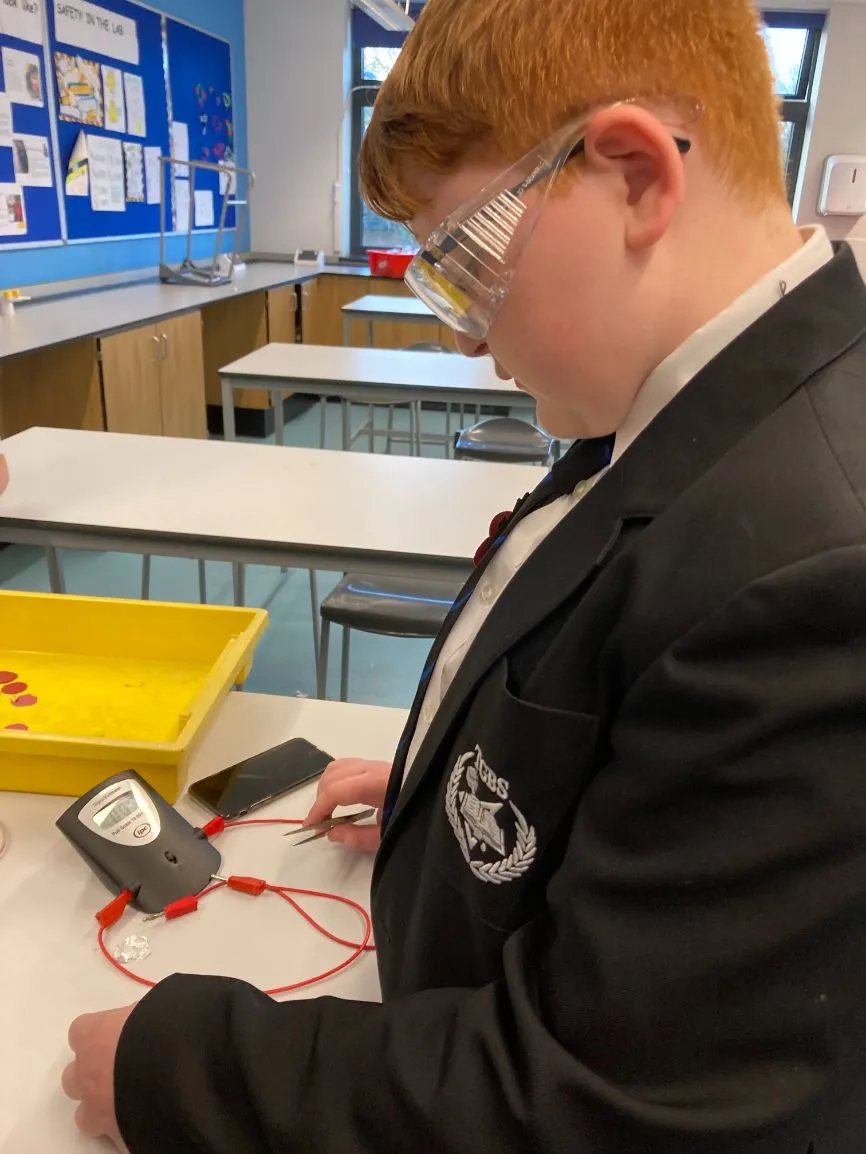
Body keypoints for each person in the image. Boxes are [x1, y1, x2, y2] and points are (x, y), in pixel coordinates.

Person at [63, 0, 866, 1149]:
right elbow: (622, 709)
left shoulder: (819, 570)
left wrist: (184, 1069)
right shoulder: (686, 411)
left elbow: (614, 1096)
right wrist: (457, 800)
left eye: (465, 263)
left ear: (633, 175)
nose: (464, 340)